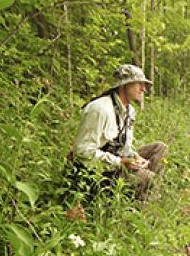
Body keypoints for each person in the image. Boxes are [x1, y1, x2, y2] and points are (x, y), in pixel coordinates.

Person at [70, 64, 167, 201]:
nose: (143, 89)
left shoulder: (129, 111)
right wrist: (121, 162)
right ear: (124, 85)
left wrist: (135, 157)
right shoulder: (100, 109)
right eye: (138, 84)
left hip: (117, 163)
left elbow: (123, 144)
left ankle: (143, 196)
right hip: (97, 172)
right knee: (148, 178)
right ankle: (134, 207)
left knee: (159, 148)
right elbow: (82, 152)